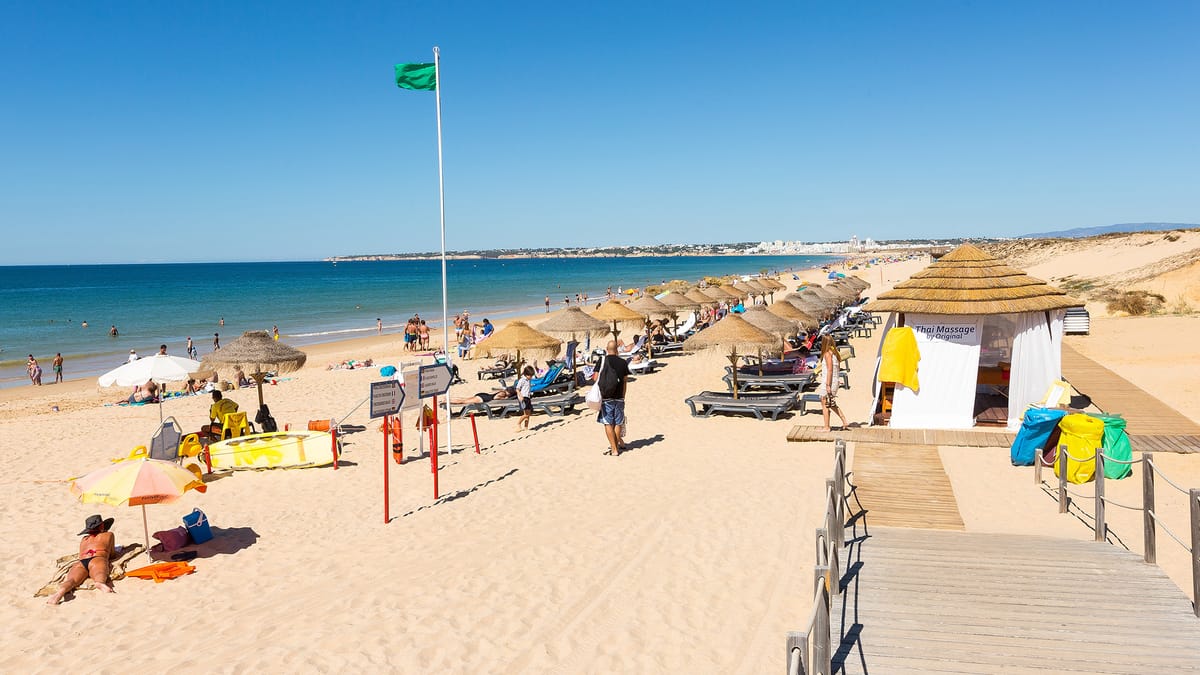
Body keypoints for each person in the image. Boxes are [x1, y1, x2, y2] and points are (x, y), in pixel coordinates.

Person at [46, 515, 117, 605]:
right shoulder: (108, 535)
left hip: (81, 562)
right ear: (102, 525)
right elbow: (112, 554)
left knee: (72, 580)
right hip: (97, 559)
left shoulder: (84, 539)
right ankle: (100, 583)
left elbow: (80, 555)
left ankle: (60, 592)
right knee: (99, 573)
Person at [595, 340, 631, 456]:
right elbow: (625, 381)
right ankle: (616, 445)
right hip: (619, 396)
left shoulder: (602, 361)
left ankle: (614, 449)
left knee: (608, 423)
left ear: (607, 349)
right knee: (618, 423)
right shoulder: (623, 362)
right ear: (617, 349)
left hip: (606, 396)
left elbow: (595, 378)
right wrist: (623, 396)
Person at [817, 335, 849, 432]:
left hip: (829, 381)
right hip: (834, 380)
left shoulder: (827, 354)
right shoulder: (835, 353)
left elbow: (830, 370)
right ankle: (844, 420)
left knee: (825, 403)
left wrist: (828, 385)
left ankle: (827, 427)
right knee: (829, 403)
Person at [514, 365, 534, 432]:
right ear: (526, 374)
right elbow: (517, 389)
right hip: (523, 398)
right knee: (526, 414)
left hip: (528, 397)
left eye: (531, 376)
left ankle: (526, 427)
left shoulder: (528, 380)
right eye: (530, 376)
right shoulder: (522, 380)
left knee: (528, 414)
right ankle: (518, 423)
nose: (531, 377)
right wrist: (520, 396)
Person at [450, 386, 515, 405]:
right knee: (464, 401)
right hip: (483, 398)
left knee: (465, 399)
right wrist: (504, 398)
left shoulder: (501, 390)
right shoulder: (503, 393)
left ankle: (449, 399)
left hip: (483, 395)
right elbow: (495, 398)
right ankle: (449, 401)